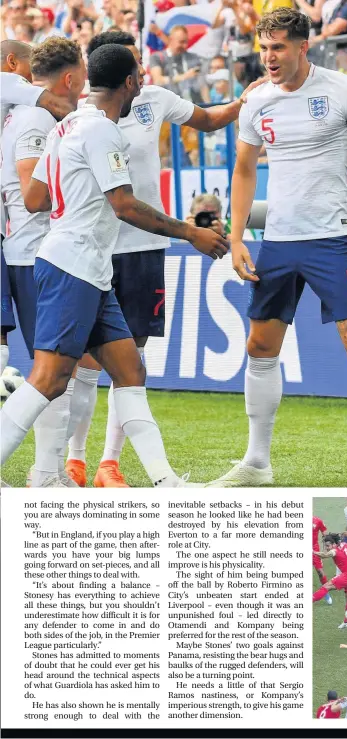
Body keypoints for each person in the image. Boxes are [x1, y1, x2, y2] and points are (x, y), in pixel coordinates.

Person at [208, 7, 347, 490]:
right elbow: (244, 171)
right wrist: (238, 235)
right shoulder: (256, 101)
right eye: (264, 48)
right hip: (278, 243)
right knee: (260, 347)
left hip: (332, 240)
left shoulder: (345, 91)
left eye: (278, 47)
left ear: (304, 46)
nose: (269, 57)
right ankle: (257, 463)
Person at [0, 43, 229, 489]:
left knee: (129, 371)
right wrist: (191, 233)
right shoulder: (104, 131)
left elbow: (35, 199)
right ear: (131, 83)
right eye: (139, 77)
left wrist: (76, 193)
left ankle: (166, 482)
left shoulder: (65, 124)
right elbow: (123, 206)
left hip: (85, 266)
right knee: (49, 378)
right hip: (74, 266)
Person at [64, 30, 263, 488]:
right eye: (130, 66)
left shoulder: (154, 98)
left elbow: (210, 119)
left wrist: (243, 102)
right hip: (98, 245)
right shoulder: (81, 114)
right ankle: (72, 459)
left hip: (146, 248)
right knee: (86, 362)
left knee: (131, 357)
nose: (139, 74)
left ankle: (107, 464)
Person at [2, 37, 87, 488]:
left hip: (25, 248)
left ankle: (50, 471)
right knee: (53, 370)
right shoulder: (34, 115)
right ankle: (46, 473)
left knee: (61, 368)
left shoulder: (19, 110)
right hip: (34, 254)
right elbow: (32, 191)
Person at [149, 25, 210, 104]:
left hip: (194, 105)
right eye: (181, 42)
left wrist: (208, 105)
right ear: (171, 40)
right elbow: (158, 80)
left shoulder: (194, 58)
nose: (185, 46)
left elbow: (202, 85)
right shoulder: (157, 57)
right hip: (168, 106)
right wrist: (184, 76)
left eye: (186, 42)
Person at [312, 534, 347, 628]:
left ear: (334, 544)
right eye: (325, 546)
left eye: (328, 545)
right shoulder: (344, 544)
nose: (327, 548)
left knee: (326, 586)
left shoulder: (334, 551)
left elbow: (325, 555)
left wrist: (313, 552)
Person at [312, 515, 332, 604]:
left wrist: (326, 548)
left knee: (320, 572)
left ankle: (325, 592)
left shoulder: (318, 521)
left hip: (314, 549)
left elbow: (325, 534)